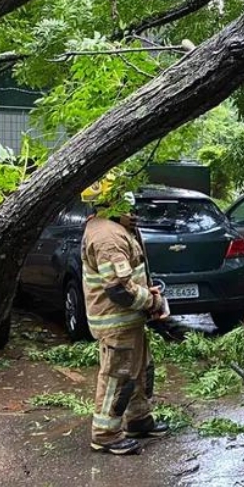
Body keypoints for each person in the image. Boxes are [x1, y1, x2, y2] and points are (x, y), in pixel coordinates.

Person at [80, 177, 170, 456]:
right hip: (116, 321)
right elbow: (118, 289)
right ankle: (106, 434)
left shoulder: (116, 227)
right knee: (118, 376)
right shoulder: (107, 236)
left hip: (129, 319)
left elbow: (128, 277)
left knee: (140, 372)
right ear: (109, 200)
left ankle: (139, 420)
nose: (130, 200)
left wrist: (147, 294)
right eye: (122, 193)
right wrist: (152, 301)